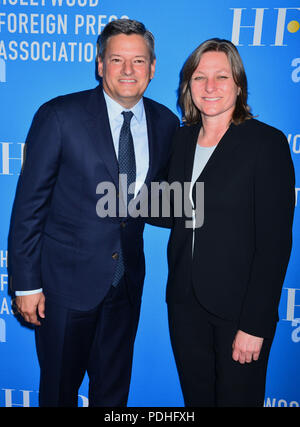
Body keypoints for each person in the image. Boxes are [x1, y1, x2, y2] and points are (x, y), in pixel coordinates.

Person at [8, 19, 179, 407]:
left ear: (152, 68)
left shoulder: (166, 123)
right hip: (63, 289)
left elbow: (157, 201)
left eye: (138, 61)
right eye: (117, 59)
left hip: (126, 287)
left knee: (113, 395)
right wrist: (27, 285)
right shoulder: (59, 116)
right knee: (58, 393)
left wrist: (227, 203)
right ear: (99, 64)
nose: (128, 70)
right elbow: (29, 207)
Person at [164, 38, 295, 406]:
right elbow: (171, 208)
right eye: (200, 76)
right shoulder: (181, 139)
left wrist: (254, 325)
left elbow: (274, 244)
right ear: (188, 84)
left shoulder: (265, 144)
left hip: (239, 311)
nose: (209, 87)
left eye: (221, 76)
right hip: (184, 304)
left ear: (239, 84)